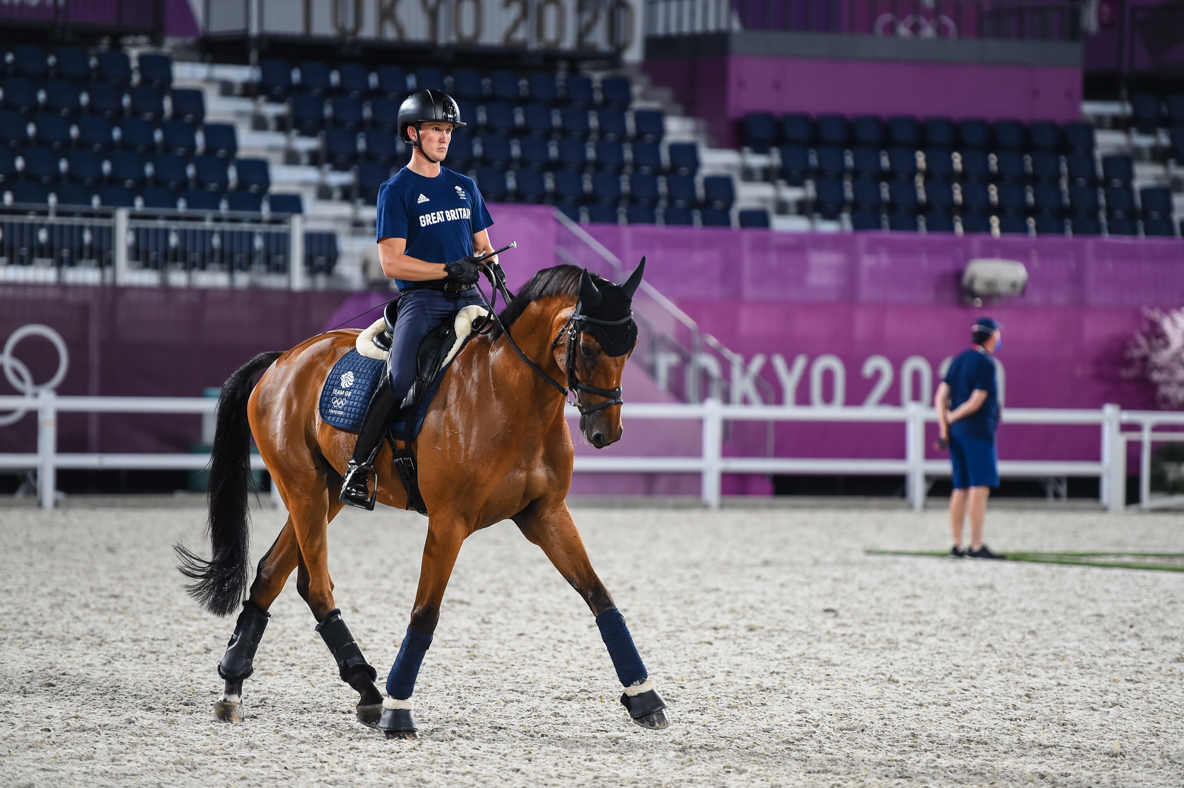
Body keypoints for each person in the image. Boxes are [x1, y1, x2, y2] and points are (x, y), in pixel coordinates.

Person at [340, 89, 498, 509]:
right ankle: (359, 466)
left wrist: (488, 263)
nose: (444, 139)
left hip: (469, 296)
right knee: (401, 376)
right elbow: (392, 263)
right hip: (423, 302)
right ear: (413, 133)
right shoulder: (396, 191)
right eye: (435, 130)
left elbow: (483, 246)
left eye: (448, 131)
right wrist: (447, 270)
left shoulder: (465, 187)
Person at [934, 317, 1006, 559]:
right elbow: (976, 401)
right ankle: (976, 545)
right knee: (979, 487)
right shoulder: (986, 364)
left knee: (960, 487)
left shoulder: (959, 359)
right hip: (977, 432)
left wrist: (944, 426)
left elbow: (940, 396)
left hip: (956, 435)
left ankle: (957, 545)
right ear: (991, 336)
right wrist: (953, 417)